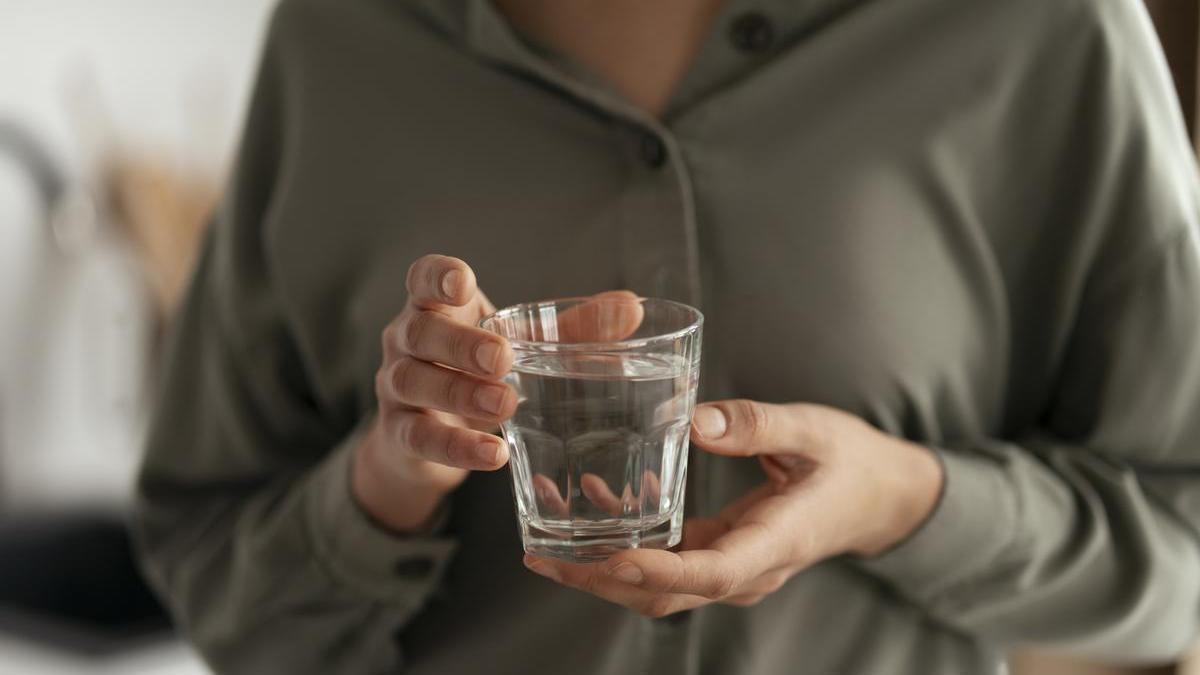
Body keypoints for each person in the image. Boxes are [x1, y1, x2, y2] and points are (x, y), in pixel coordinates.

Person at [133, 0, 1200, 673]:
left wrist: (900, 500)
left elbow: (1183, 551)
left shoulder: (1045, 28)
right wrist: (393, 469)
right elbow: (221, 593)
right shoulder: (341, 39)